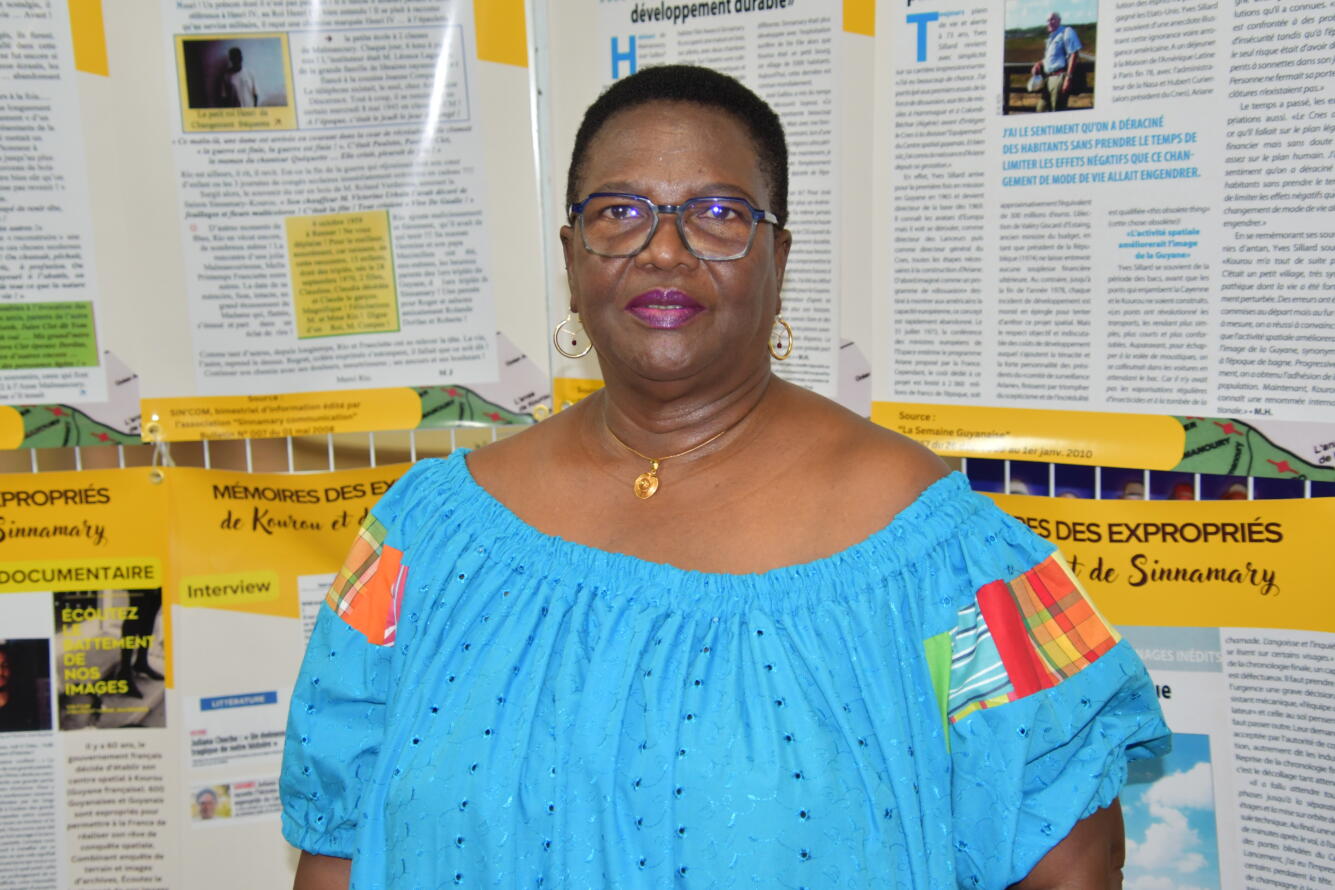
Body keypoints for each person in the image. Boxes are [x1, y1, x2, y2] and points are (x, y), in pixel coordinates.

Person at [281, 65, 1168, 889]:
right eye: (619, 211)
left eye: (716, 212)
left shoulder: (943, 552)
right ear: (571, 257)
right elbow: (335, 845)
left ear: (778, 258)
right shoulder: (420, 537)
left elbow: (1072, 868)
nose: (664, 251)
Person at [1030, 12, 1082, 112]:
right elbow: (1051, 58)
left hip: (1059, 78)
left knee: (1057, 110)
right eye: (1048, 20)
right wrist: (1039, 64)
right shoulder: (1051, 38)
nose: (1049, 22)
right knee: (1041, 109)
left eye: (1052, 19)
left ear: (1059, 20)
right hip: (1048, 79)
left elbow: (1074, 54)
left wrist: (1068, 78)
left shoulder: (1067, 32)